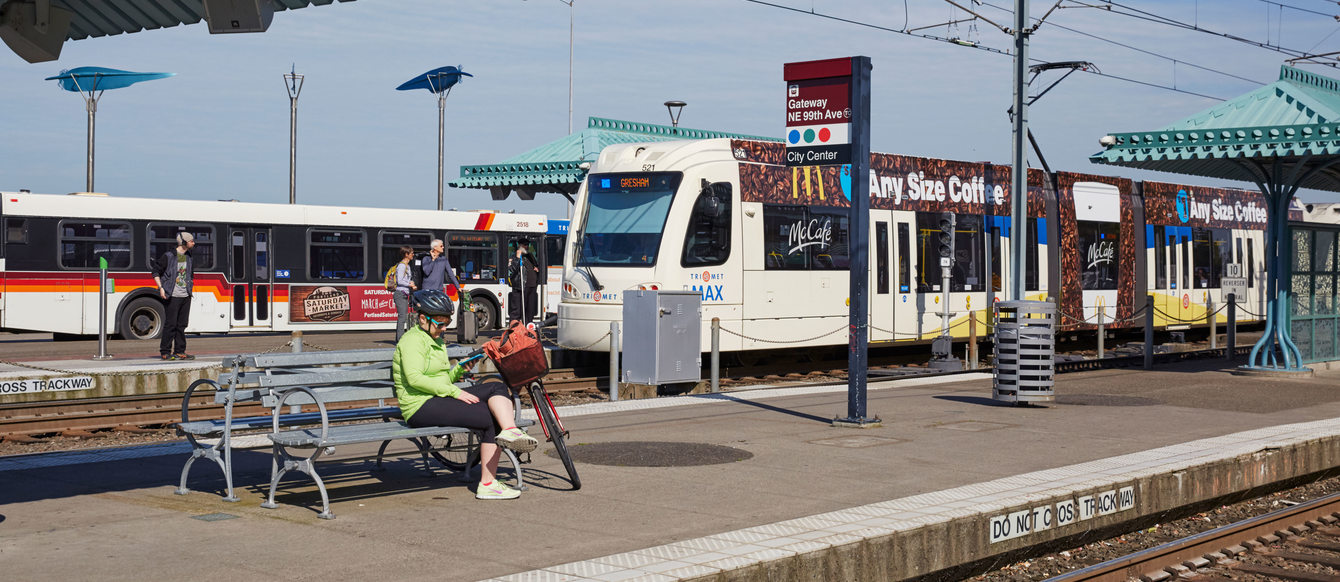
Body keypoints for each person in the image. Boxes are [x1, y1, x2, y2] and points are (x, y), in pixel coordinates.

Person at [393, 289, 538, 500]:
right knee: (489, 417)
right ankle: (488, 484)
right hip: (419, 406)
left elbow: (440, 379)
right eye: (440, 323)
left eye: (447, 323)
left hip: (438, 397)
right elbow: (415, 379)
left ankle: (510, 431)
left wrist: (460, 371)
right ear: (423, 318)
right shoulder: (412, 341)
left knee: (496, 386)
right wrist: (454, 392)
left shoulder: (436, 340)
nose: (443, 329)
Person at [154, 231, 196, 361]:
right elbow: (155, 271)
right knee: (170, 324)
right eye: (191, 241)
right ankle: (165, 351)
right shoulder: (169, 256)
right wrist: (161, 288)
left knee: (182, 324)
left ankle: (179, 351)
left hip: (185, 295)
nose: (193, 243)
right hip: (172, 294)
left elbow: (190, 274)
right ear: (184, 242)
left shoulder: (188, 256)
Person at [507, 238, 541, 324]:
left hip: (532, 286)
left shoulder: (530, 256)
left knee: (530, 311)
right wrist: (518, 258)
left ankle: (528, 329)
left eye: (527, 245)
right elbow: (512, 269)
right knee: (517, 311)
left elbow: (535, 265)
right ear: (520, 245)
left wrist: (536, 268)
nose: (526, 247)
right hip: (521, 287)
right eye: (524, 245)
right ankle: (515, 330)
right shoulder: (514, 256)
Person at [393, 246, 418, 341]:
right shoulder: (402, 266)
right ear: (406, 254)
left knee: (404, 316)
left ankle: (401, 338)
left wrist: (411, 284)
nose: (413, 254)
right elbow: (399, 281)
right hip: (400, 293)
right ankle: (400, 339)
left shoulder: (407, 266)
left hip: (404, 294)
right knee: (402, 317)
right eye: (411, 253)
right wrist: (410, 284)